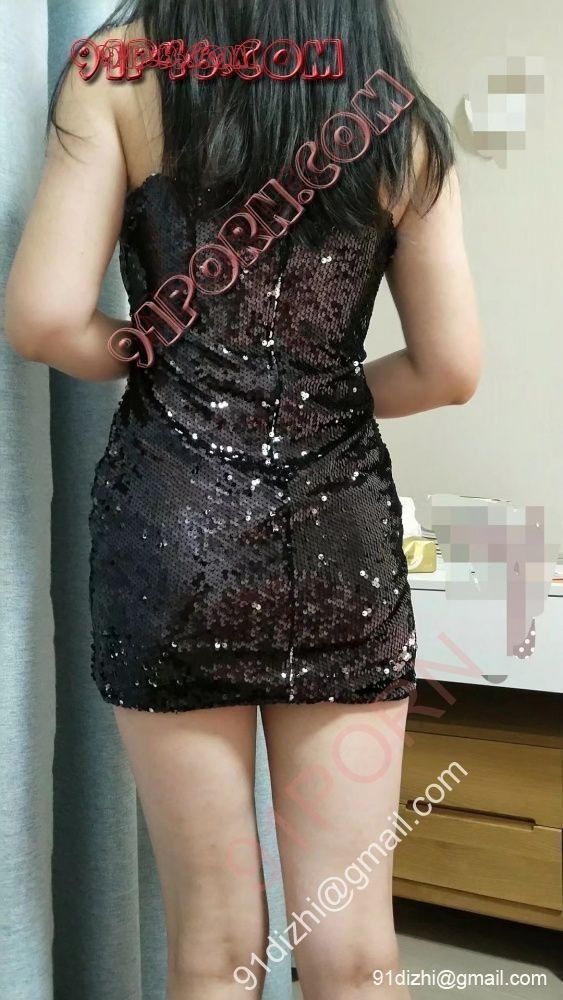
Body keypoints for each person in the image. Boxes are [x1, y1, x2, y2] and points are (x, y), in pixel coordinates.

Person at [5, 2, 481, 997]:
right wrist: (319, 395)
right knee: (354, 952)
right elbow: (449, 370)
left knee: (214, 946)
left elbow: (45, 316)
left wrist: (157, 360)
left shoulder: (118, 72)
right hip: (339, 532)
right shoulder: (393, 114)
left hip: (172, 526)